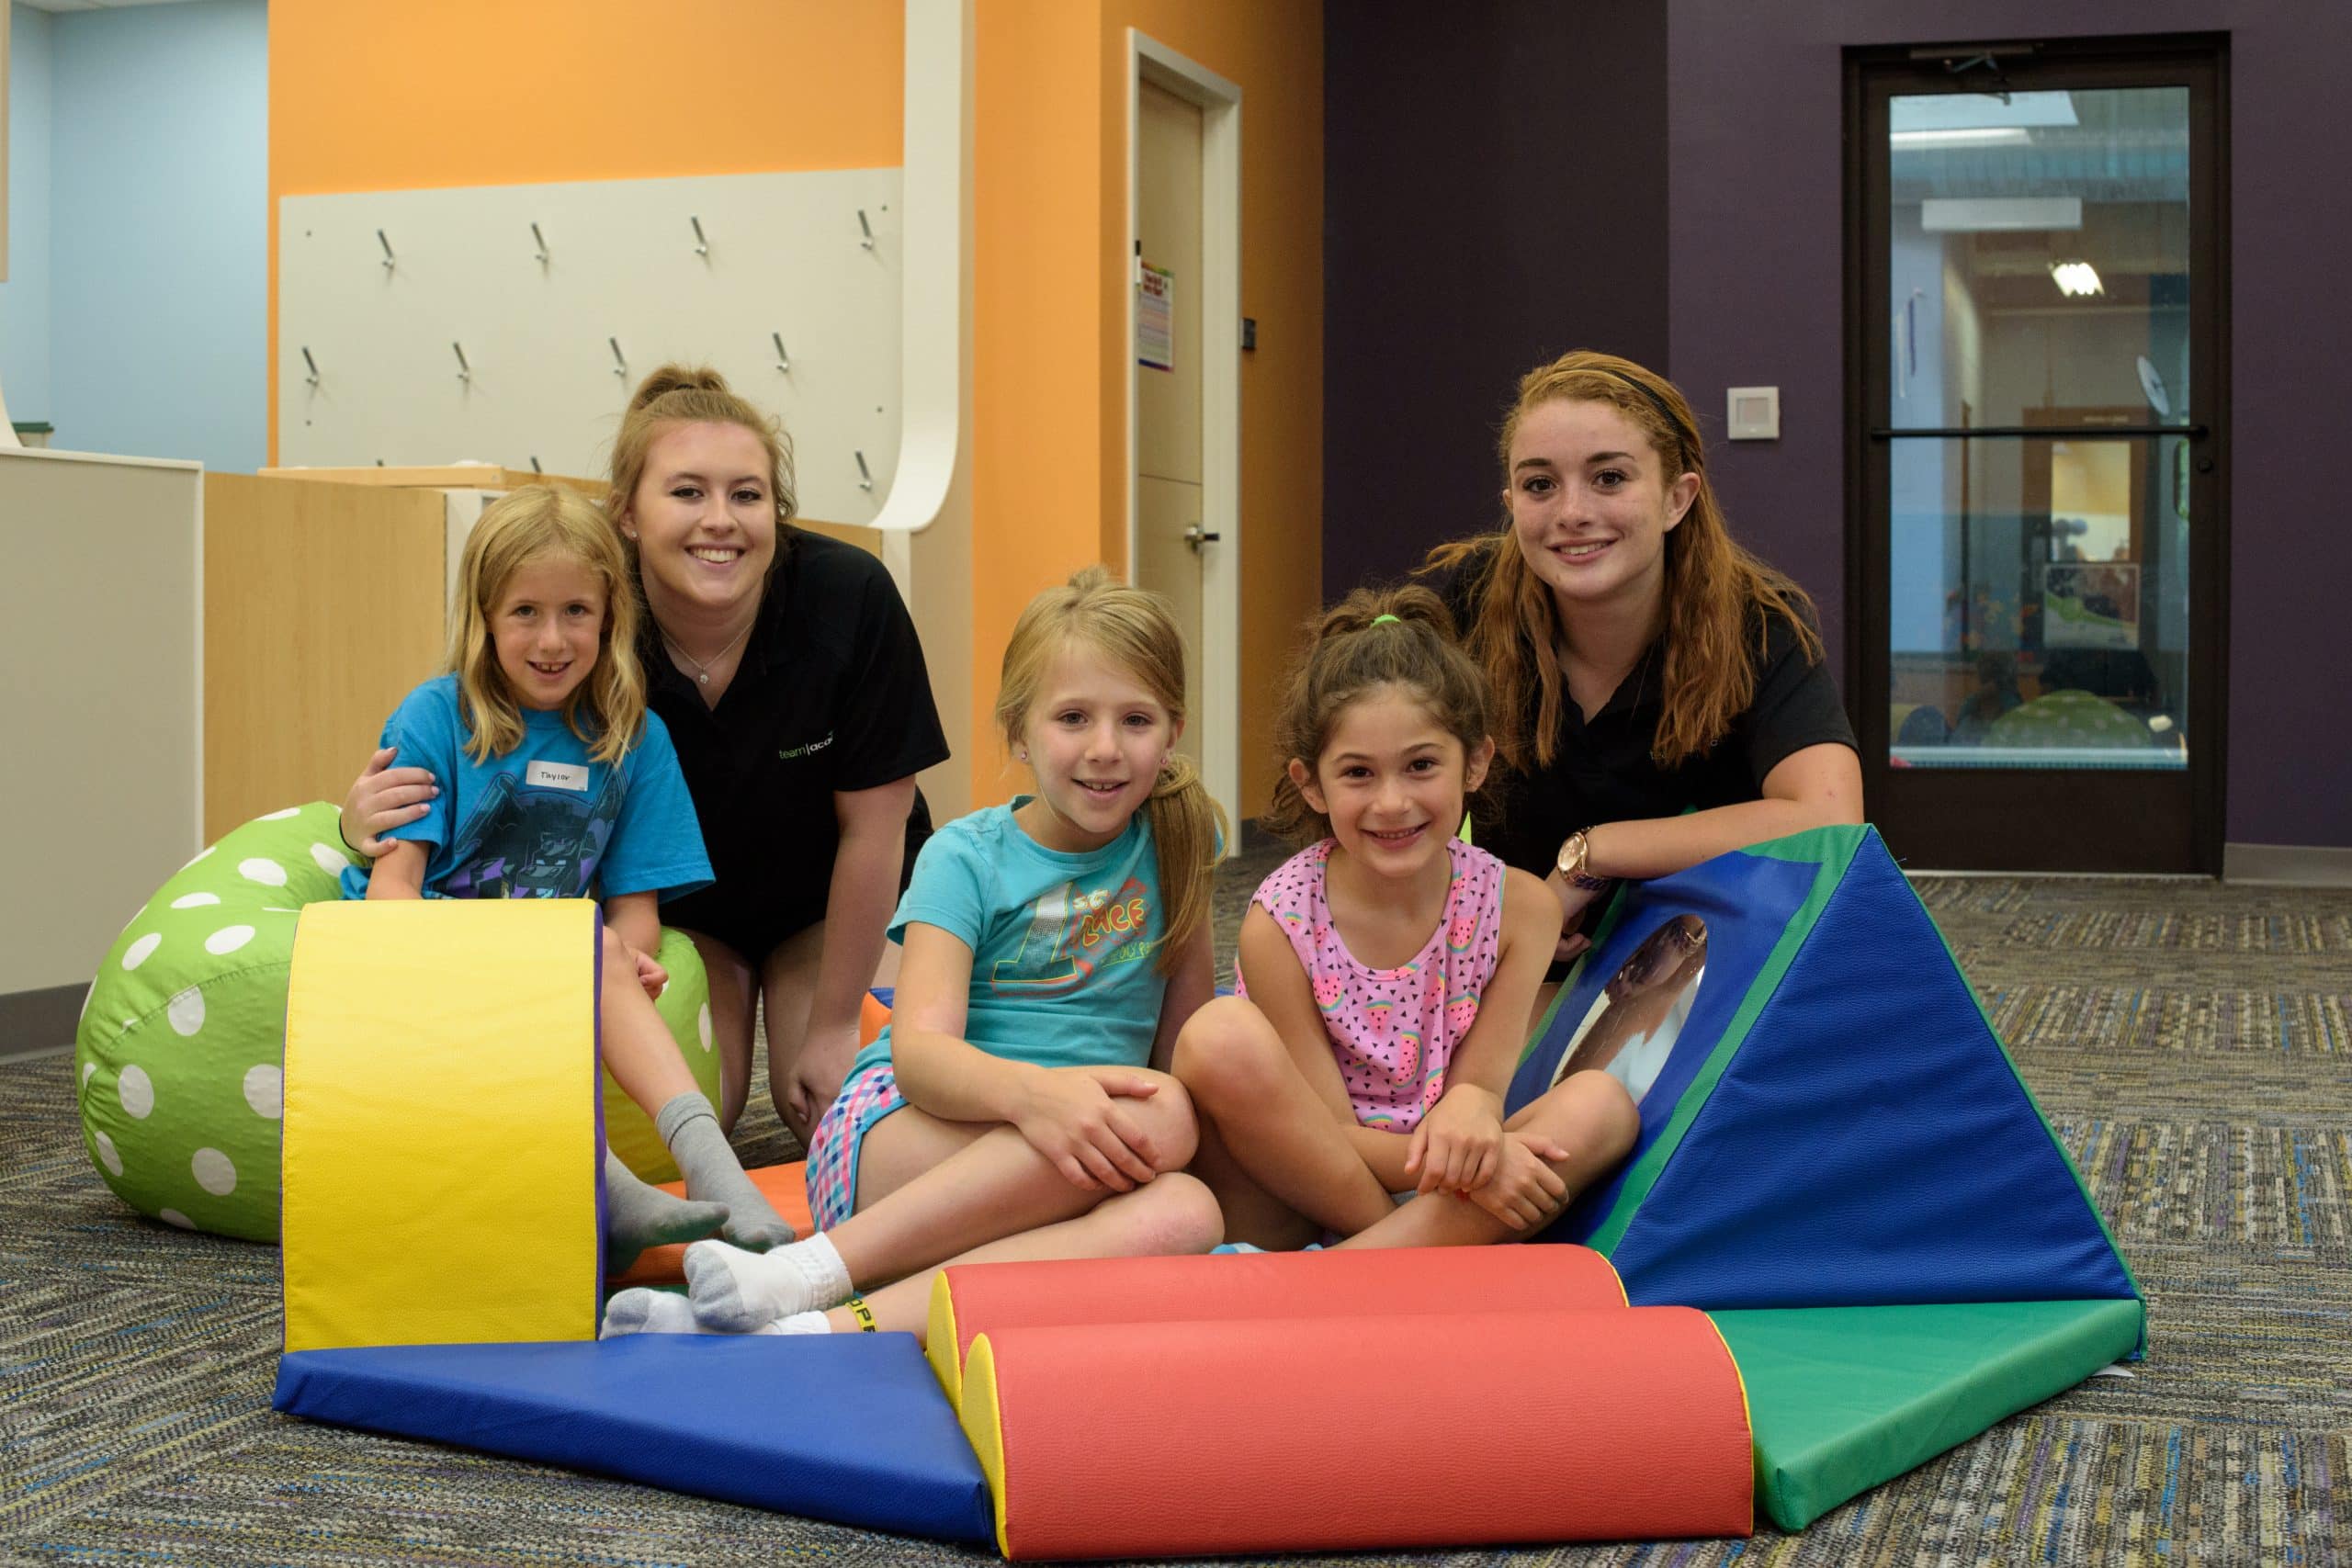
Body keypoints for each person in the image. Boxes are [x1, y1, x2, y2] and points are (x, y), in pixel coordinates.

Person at [601, 568, 1226, 1338]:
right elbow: (923, 1056)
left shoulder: (1178, 842)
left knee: (1186, 1212)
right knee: (1159, 1121)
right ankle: (815, 1266)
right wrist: (1042, 1099)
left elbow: (1185, 1048)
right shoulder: (966, 856)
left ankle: (807, 1328)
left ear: (1174, 733)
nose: (1105, 748)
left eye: (1136, 720)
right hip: (907, 1132)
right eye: (1072, 717)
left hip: (1076, 1155)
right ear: (1018, 732)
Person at [341, 367, 949, 1145]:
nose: (720, 521)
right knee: (701, 1103)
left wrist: (834, 1026)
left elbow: (876, 830)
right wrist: (359, 819)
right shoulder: (588, 612)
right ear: (627, 512)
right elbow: (473, 746)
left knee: (829, 1109)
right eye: (688, 492)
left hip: (825, 899)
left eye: (748, 494)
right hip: (685, 909)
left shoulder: (850, 597)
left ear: (778, 510)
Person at [341, 483, 794, 1264]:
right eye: (525, 612)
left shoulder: (635, 737)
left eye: (576, 612)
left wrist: (635, 955)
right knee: (573, 951)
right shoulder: (435, 716)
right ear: (485, 616)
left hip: (552, 952)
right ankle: (608, 1188)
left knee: (597, 947)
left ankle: (715, 1171)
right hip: (424, 948)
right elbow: (393, 895)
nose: (552, 640)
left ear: (610, 616)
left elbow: (635, 906)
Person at [1167, 587, 1639, 1252]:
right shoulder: (1278, 921)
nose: (1392, 802)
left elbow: (1480, 1084)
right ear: (1311, 783)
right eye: (1358, 773)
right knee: (1216, 1035)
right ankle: (1407, 1258)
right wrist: (1480, 1169)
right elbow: (1323, 1137)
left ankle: (1369, 1269)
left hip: (1448, 1186)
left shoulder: (1520, 907)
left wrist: (1475, 1114)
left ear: (1475, 762)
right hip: (1305, 1191)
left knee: (1605, 1107)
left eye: (1421, 766)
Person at [1424, 350, 1860, 968]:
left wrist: (1593, 854)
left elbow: (1829, 819)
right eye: (1540, 484)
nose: (1572, 512)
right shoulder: (1469, 600)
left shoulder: (1759, 623)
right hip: (1518, 964)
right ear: (1512, 500)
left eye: (1609, 478)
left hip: (1703, 972)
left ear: (1677, 499)